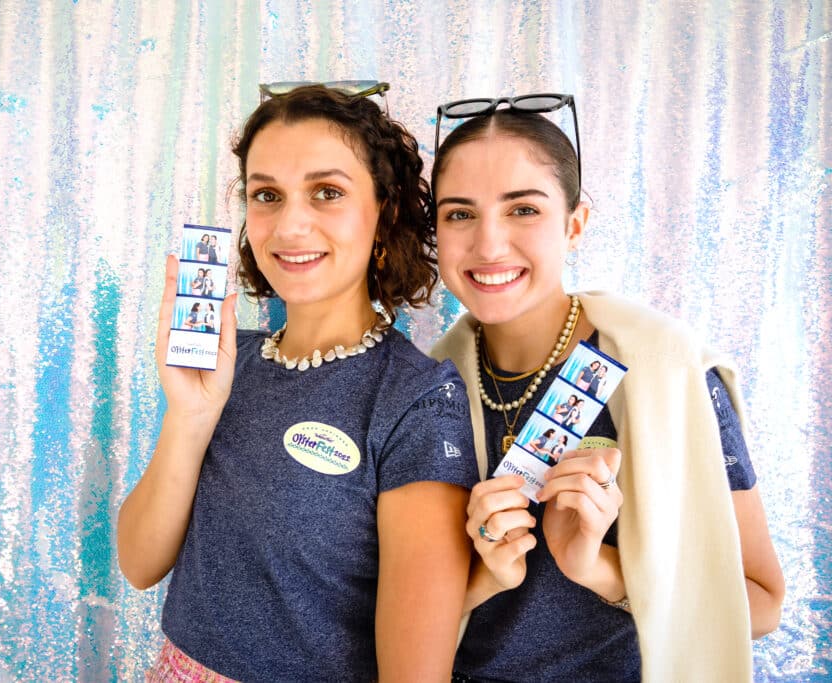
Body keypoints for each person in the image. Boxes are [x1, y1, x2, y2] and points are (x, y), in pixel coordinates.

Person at [117, 83, 478, 682]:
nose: (290, 224)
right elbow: (138, 562)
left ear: (384, 212)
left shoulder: (418, 399)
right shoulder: (229, 363)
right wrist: (190, 414)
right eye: (267, 195)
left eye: (327, 192)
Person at [428, 94, 784, 681]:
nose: (489, 245)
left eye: (523, 210)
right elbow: (392, 611)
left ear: (574, 224)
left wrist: (600, 567)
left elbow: (763, 602)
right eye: (460, 214)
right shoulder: (426, 386)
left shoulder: (671, 374)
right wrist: (484, 575)